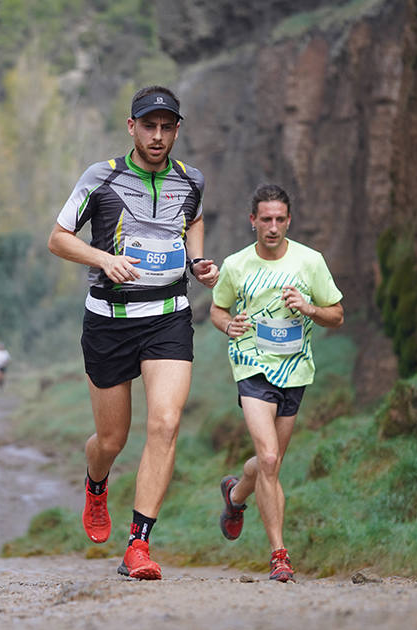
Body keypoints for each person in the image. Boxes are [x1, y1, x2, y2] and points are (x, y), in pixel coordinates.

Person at [47, 85, 219, 580]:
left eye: (167, 127)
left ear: (177, 129)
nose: (158, 136)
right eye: (149, 126)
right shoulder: (101, 177)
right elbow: (58, 238)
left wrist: (197, 262)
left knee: (165, 423)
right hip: (109, 321)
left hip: (168, 317)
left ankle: (138, 546)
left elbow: (195, 217)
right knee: (111, 438)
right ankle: (96, 483)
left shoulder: (193, 181)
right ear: (132, 127)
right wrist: (104, 259)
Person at [209, 184, 344, 583]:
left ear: (289, 220)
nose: (272, 227)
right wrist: (228, 325)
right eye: (264, 219)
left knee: (271, 463)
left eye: (279, 219)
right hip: (251, 366)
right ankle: (279, 555)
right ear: (252, 221)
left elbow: (336, 315)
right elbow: (218, 309)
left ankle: (235, 495)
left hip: (295, 371)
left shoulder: (310, 261)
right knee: (268, 460)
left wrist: (309, 308)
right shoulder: (237, 265)